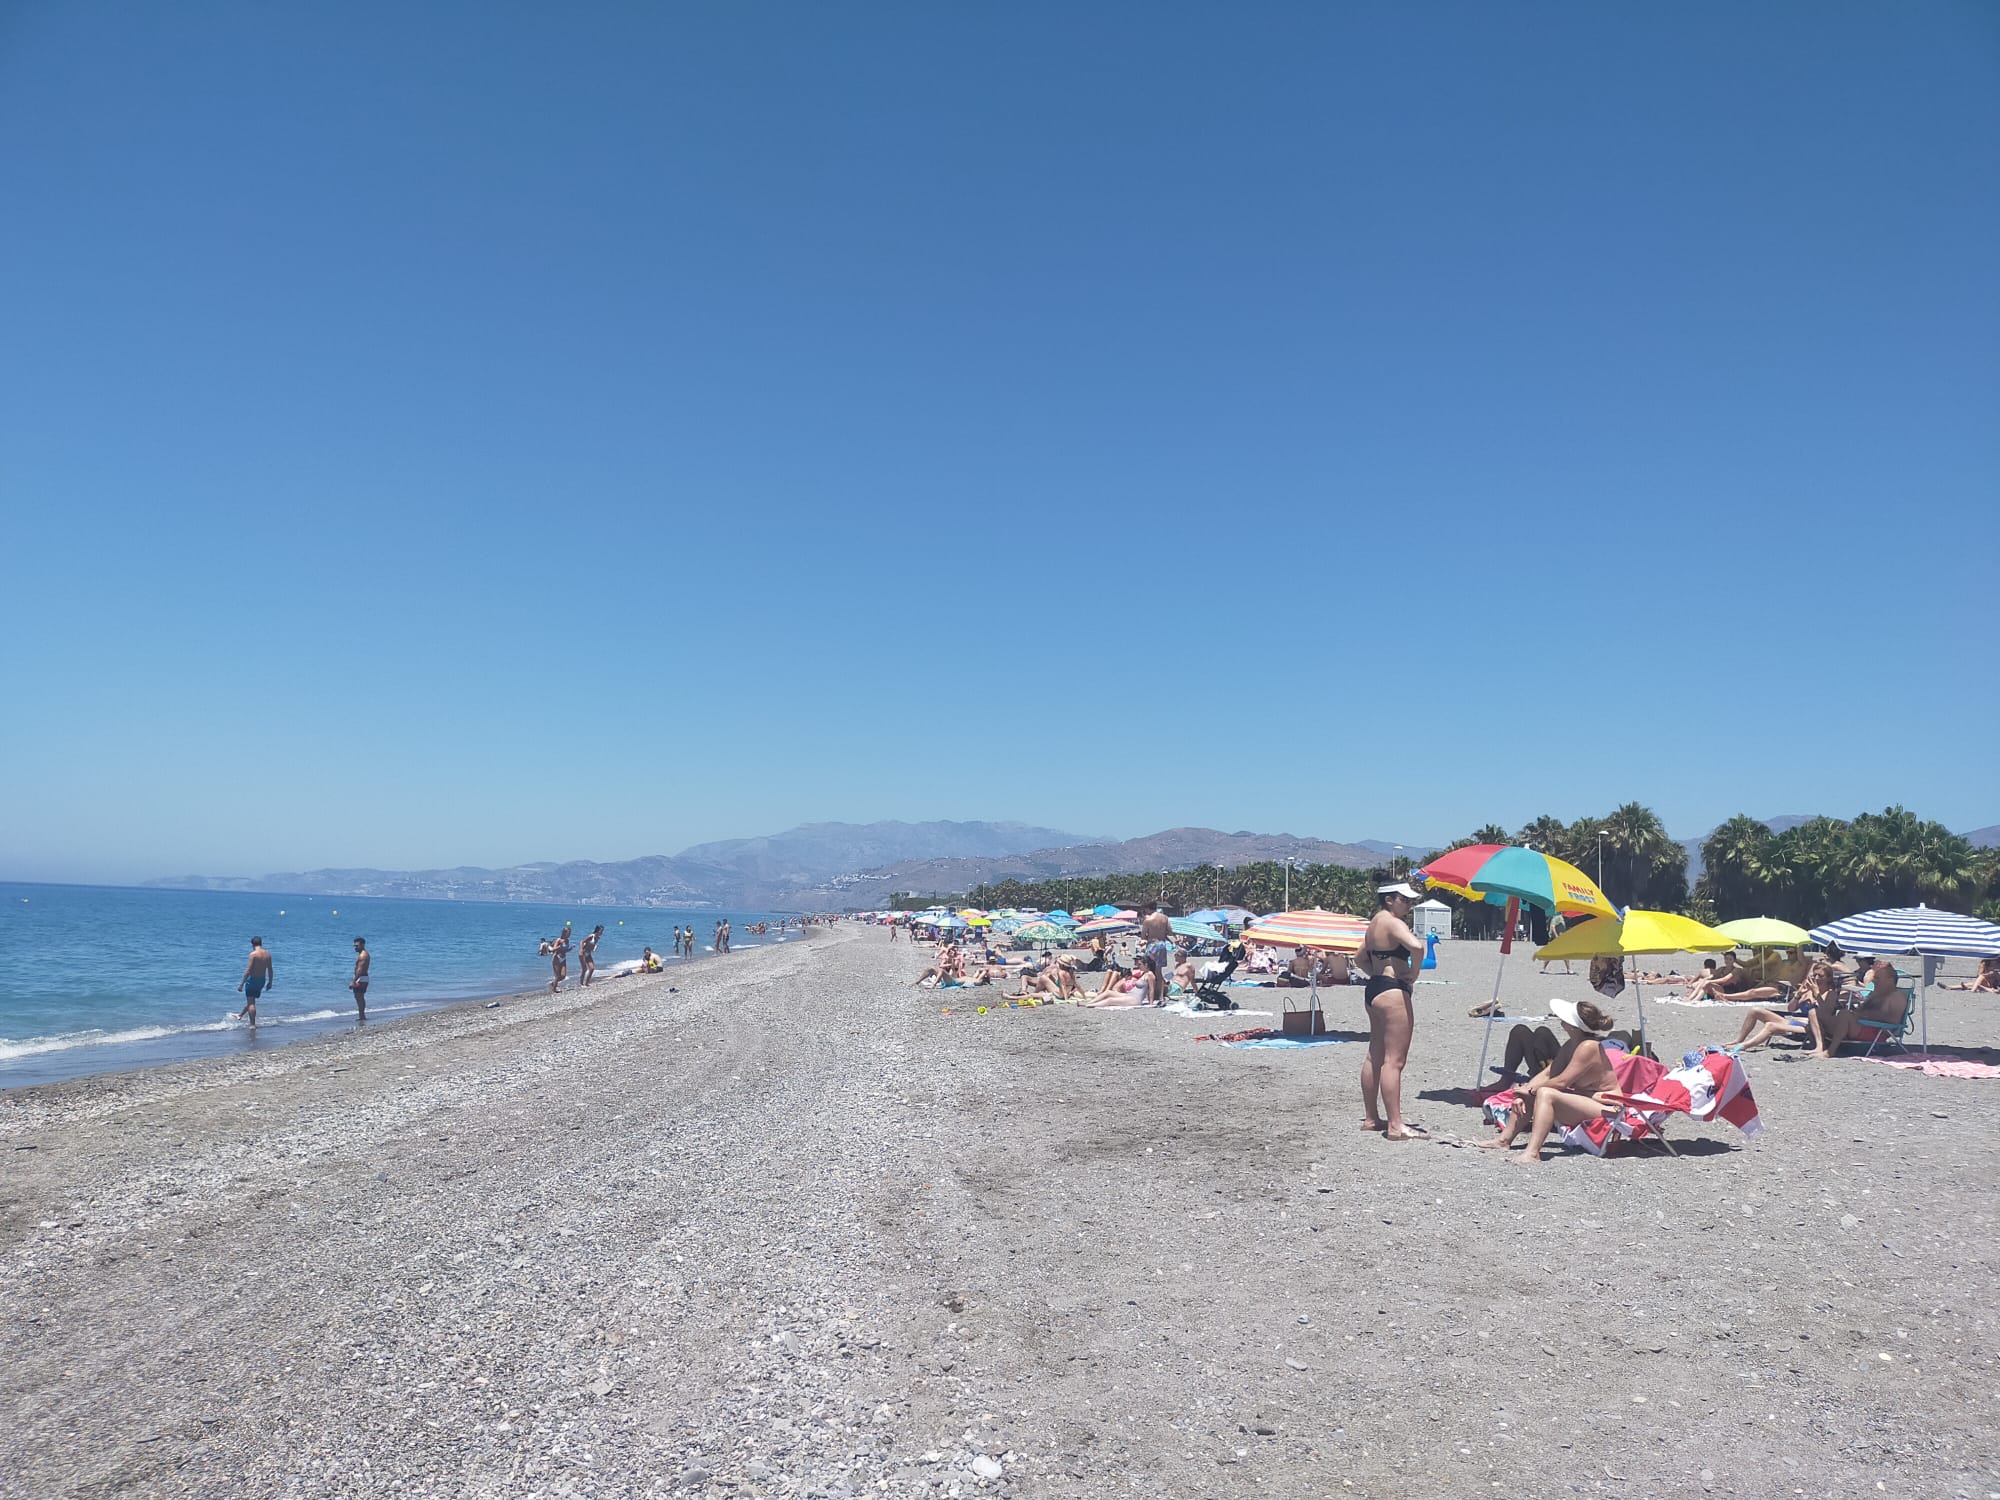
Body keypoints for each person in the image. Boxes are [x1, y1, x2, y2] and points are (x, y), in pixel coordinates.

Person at [1477, 997, 1620, 1164]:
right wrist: (1524, 1091)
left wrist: (1530, 1090)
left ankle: (1532, 1153)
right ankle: (1503, 1141)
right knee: (1534, 1091)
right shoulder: (1572, 1044)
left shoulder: (1589, 1046)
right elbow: (1548, 1074)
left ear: (1573, 1026)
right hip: (1588, 1101)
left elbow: (1562, 1082)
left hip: (1609, 1108)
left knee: (1545, 1093)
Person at [1360, 883, 1426, 1140]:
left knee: (1373, 1056)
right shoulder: (1393, 922)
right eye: (1404, 900)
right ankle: (1396, 1125)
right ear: (1389, 900)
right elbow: (1417, 947)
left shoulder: (1374, 923)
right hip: (1393, 991)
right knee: (1394, 1061)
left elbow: (1360, 958)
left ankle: (1371, 1118)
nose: (1409, 905)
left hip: (1375, 989)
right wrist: (1413, 975)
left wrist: (1377, 974)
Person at [1811, 955, 1908, 1058]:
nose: (1873, 981)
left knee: (1845, 1014)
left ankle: (1830, 1051)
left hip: (1876, 1031)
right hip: (1859, 1025)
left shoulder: (1897, 996)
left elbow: (1893, 1022)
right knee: (1814, 1012)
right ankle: (1819, 1046)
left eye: (1877, 978)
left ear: (1890, 980)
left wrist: (1864, 1015)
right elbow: (1859, 1010)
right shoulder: (1876, 993)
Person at [234, 936, 274, 1024]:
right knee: (251, 1001)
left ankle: (252, 1024)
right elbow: (270, 970)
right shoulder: (267, 954)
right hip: (262, 981)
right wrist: (270, 982)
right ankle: (240, 1015)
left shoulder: (253, 954)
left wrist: (241, 984)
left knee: (251, 1003)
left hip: (252, 980)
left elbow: (248, 970)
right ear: (261, 943)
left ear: (252, 944)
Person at [1141, 907, 1174, 995]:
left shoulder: (1148, 920)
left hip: (1152, 945)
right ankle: (1160, 995)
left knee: (1149, 969)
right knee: (1159, 972)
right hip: (1161, 945)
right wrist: (1163, 932)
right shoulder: (1165, 918)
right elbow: (1170, 932)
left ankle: (1151, 993)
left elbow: (1143, 936)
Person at [348, 936, 370, 1021]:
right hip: (363, 977)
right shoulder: (363, 954)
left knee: (359, 997)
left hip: (361, 978)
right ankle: (362, 1015)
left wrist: (353, 981)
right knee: (359, 997)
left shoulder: (363, 955)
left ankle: (362, 1016)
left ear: (362, 945)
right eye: (355, 946)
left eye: (357, 946)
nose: (355, 947)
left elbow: (360, 970)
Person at [550, 927, 572, 993]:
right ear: (564, 933)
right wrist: (559, 946)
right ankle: (554, 989)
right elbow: (553, 949)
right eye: (568, 933)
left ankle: (553, 983)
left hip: (563, 958)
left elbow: (565, 950)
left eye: (570, 933)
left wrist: (570, 949)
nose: (569, 934)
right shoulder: (559, 940)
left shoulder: (567, 940)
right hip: (557, 958)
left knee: (563, 976)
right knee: (557, 976)